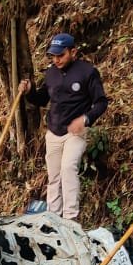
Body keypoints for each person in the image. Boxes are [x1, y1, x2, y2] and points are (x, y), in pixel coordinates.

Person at [19, 33, 108, 222]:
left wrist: (85, 119)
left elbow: (101, 103)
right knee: (54, 176)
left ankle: (70, 219)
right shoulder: (51, 72)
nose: (56, 59)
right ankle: (53, 217)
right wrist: (29, 92)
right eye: (53, 56)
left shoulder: (87, 72)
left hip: (75, 132)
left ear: (73, 51)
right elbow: (42, 98)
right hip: (53, 131)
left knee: (68, 168)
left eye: (61, 55)